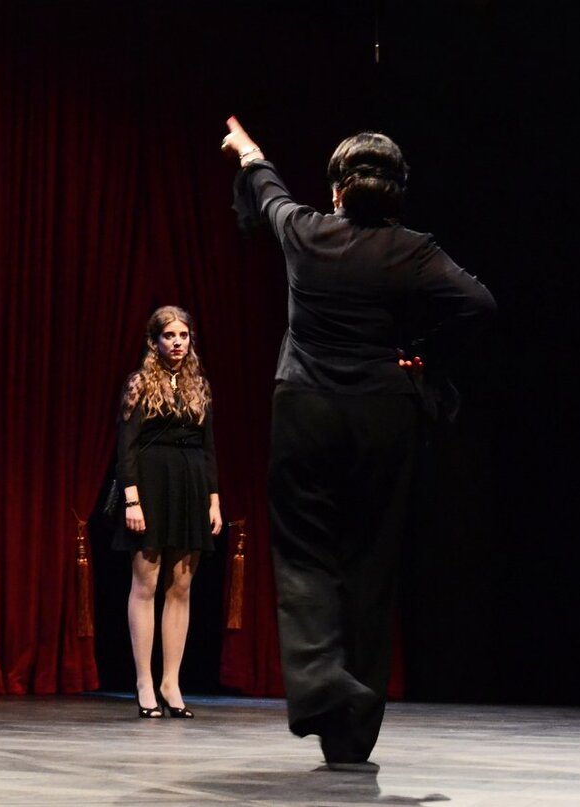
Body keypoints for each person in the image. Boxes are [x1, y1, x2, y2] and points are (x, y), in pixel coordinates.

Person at [220, 117, 496, 768]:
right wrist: (419, 348)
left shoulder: (307, 231)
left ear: (338, 190)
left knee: (304, 554)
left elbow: (268, 193)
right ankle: (354, 735)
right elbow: (480, 304)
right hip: (382, 415)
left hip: (306, 410)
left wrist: (251, 152)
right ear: (395, 191)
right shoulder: (413, 251)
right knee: (371, 563)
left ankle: (321, 683)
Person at [113, 305, 223, 719]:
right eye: (169, 336)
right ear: (154, 341)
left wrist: (213, 500)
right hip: (152, 487)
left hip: (191, 488)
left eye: (183, 335)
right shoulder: (140, 383)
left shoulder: (199, 385)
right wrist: (132, 499)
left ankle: (170, 682)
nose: (177, 343)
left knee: (181, 586)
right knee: (146, 583)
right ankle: (144, 682)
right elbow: (126, 447)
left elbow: (209, 448)